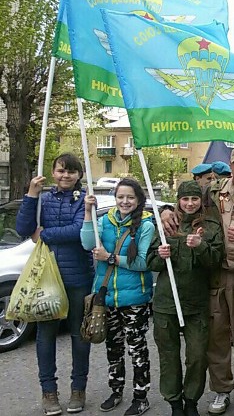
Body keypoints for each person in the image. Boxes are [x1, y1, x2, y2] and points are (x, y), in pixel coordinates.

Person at [160, 147, 234, 414]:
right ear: (231, 166)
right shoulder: (213, 191)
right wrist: (167, 210)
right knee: (216, 336)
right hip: (213, 274)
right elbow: (185, 205)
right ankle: (221, 390)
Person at [16, 154, 92, 415]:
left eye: (71, 172)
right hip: (46, 279)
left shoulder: (85, 200)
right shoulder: (43, 199)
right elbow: (24, 228)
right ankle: (49, 392)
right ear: (53, 172)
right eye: (61, 171)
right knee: (45, 337)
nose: (65, 176)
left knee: (79, 337)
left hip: (78, 278)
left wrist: (45, 234)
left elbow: (79, 231)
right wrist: (30, 195)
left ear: (79, 175)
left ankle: (78, 390)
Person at [147, 181, 224, 416]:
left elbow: (216, 261)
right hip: (166, 302)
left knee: (197, 356)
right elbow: (150, 261)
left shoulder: (210, 225)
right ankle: (174, 403)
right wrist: (161, 255)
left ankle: (191, 401)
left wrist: (200, 246)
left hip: (196, 303)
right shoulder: (167, 223)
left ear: (201, 200)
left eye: (194, 199)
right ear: (178, 200)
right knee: (169, 356)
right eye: (185, 199)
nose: (190, 204)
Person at [81, 178, 155, 416]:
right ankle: (116, 391)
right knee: (113, 348)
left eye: (130, 197)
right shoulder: (105, 220)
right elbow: (87, 243)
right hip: (107, 297)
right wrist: (87, 212)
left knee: (137, 350)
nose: (125, 201)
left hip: (134, 299)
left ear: (138, 200)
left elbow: (143, 262)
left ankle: (141, 396)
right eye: (121, 197)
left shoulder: (146, 225)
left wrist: (110, 258)